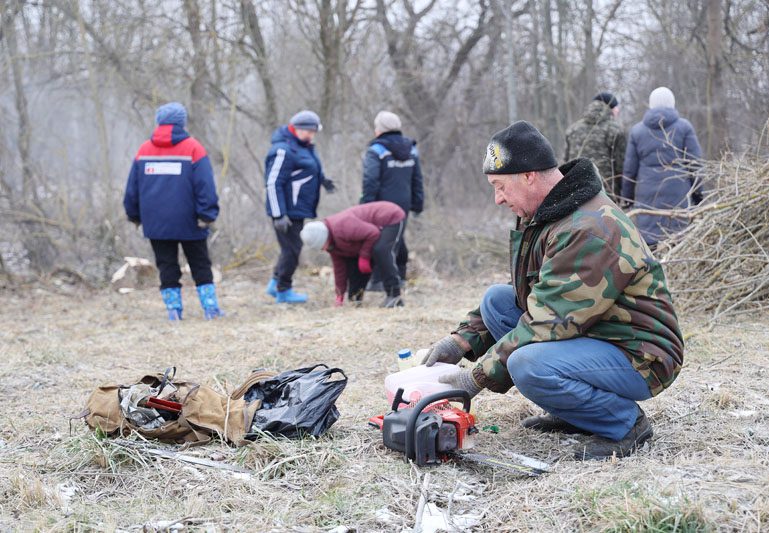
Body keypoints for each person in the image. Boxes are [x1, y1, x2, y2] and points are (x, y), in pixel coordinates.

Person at [422, 121, 684, 460]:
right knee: (497, 302)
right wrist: (461, 341)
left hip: (639, 353)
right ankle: (574, 410)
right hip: (596, 332)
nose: (497, 199)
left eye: (500, 186)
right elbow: (527, 297)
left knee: (528, 364)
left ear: (529, 176)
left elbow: (547, 321)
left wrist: (473, 378)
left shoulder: (589, 227)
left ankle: (625, 424)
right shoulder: (549, 215)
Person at [123, 102, 223, 321]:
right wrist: (207, 215)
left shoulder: (144, 150)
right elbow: (205, 185)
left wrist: (134, 216)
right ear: (182, 122)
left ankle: (174, 312)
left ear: (159, 122)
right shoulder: (193, 148)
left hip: (156, 223)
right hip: (190, 221)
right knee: (200, 264)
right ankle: (210, 309)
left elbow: (132, 188)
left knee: (166, 265)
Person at [264, 110, 335, 304]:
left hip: (298, 209)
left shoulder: (305, 147)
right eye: (307, 131)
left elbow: (309, 168)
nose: (310, 135)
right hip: (285, 211)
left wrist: (323, 180)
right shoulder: (282, 150)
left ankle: (275, 284)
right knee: (292, 251)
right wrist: (279, 214)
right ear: (295, 128)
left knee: (291, 248)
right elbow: (272, 183)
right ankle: (283, 291)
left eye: (313, 132)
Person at [622, 87, 702, 247]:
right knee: (679, 246)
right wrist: (698, 196)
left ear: (650, 104)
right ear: (672, 103)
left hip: (647, 200)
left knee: (650, 247)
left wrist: (627, 199)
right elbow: (695, 165)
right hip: (678, 197)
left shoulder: (637, 131)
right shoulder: (684, 127)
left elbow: (629, 171)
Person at [360, 111, 424, 289]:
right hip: (403, 203)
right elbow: (417, 179)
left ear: (379, 130)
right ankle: (400, 276)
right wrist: (418, 204)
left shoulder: (376, 151)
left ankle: (379, 281)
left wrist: (365, 207)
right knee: (397, 237)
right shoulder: (411, 150)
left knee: (380, 241)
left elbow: (370, 180)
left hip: (381, 205)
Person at [300, 201, 406, 308]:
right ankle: (356, 300)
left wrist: (364, 257)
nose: (323, 250)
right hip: (370, 232)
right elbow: (339, 269)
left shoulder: (343, 227)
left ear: (324, 238)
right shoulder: (332, 245)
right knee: (351, 261)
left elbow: (373, 233)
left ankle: (394, 296)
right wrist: (339, 294)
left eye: (322, 246)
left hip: (389, 217)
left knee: (380, 250)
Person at [564, 91, 626, 203]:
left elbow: (565, 164)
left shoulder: (572, 130)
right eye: (616, 107)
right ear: (610, 107)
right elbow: (621, 167)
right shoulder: (615, 130)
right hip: (606, 195)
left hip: (575, 192)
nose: (618, 111)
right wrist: (624, 194)